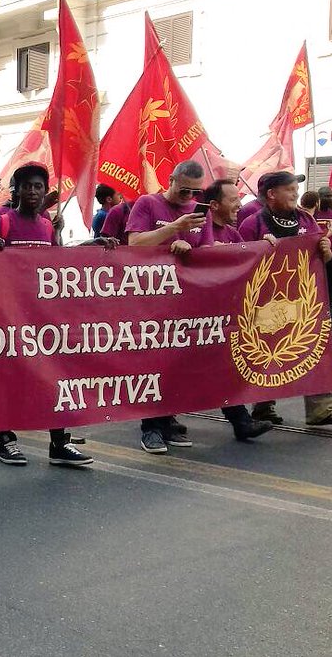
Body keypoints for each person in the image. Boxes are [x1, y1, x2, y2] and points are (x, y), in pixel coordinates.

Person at [0, 164, 105, 466]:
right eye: (27, 186)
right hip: (7, 318)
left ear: (44, 191)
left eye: (38, 187)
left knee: (52, 378)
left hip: (42, 318)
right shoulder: (1, 223)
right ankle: (5, 440)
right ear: (16, 190)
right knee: (10, 379)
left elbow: (57, 264)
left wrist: (91, 246)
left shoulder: (48, 226)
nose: (33, 192)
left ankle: (59, 443)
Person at [125, 160, 212, 453]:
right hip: (150, 301)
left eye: (195, 192)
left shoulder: (200, 213)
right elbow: (135, 243)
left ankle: (167, 421)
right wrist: (175, 229)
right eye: (184, 190)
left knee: (176, 365)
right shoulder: (147, 204)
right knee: (153, 364)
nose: (189, 197)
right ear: (171, 179)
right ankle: (150, 428)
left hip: (186, 302)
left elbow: (209, 253)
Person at [237, 170, 332, 426]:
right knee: (268, 351)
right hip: (264, 302)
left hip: (304, 299)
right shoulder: (252, 223)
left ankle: (320, 409)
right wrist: (258, 248)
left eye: (296, 189)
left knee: (314, 346)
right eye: (290, 189)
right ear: (272, 194)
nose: (296, 194)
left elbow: (320, 258)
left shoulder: (306, 219)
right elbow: (236, 262)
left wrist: (326, 251)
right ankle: (263, 405)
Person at [198, 178, 276, 440]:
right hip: (189, 317)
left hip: (220, 318)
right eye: (233, 200)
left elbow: (246, 265)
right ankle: (157, 425)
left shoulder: (233, 234)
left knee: (223, 369)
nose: (239, 204)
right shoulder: (195, 228)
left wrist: (261, 246)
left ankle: (241, 421)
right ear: (214, 205)